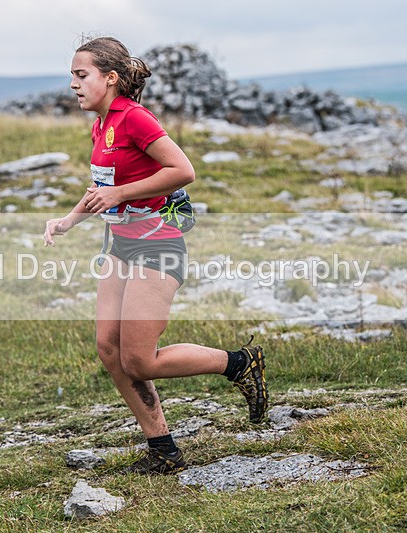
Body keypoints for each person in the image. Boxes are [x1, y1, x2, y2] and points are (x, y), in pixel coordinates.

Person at [43, 36, 268, 475]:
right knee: (109, 348)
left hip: (158, 243)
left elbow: (183, 170)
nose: (72, 84)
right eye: (71, 74)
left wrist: (121, 193)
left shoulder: (135, 119)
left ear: (110, 78)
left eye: (80, 74)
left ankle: (239, 363)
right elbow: (101, 189)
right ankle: (163, 448)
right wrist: (69, 220)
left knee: (140, 359)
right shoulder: (101, 124)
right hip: (120, 244)